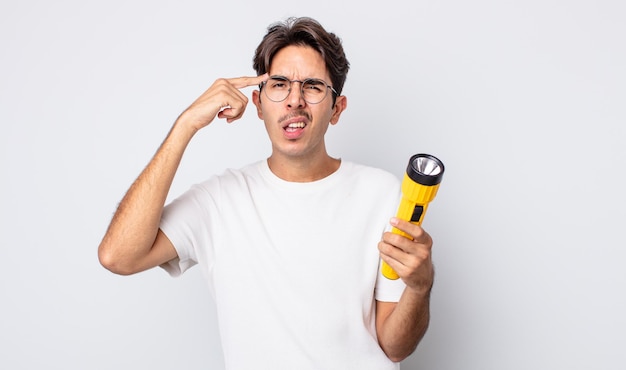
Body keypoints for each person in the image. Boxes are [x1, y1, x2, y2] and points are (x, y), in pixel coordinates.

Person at [98, 16, 435, 370]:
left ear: (337, 109)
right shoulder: (218, 201)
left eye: (313, 86)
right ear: (258, 104)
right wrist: (186, 125)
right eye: (279, 84)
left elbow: (395, 347)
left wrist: (420, 286)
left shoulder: (382, 193)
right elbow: (118, 256)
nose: (294, 100)